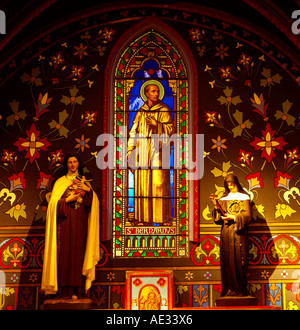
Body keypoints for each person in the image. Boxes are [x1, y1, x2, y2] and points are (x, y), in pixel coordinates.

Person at [42, 154, 100, 299]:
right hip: (64, 224)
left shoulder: (83, 181)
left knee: (78, 255)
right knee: (64, 256)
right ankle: (63, 291)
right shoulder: (60, 182)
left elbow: (93, 204)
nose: (72, 165)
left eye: (75, 162)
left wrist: (88, 191)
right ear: (66, 165)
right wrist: (68, 199)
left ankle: (77, 291)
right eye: (69, 162)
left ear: (78, 164)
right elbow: (53, 205)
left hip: (80, 224)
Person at [127, 82, 174, 226]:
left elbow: (171, 131)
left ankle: (162, 219)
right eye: (153, 91)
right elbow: (133, 132)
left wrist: (157, 125)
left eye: (157, 91)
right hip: (142, 154)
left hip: (159, 153)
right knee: (143, 186)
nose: (156, 94)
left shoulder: (164, 109)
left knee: (158, 185)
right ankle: (143, 219)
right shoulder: (140, 111)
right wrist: (130, 151)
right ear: (146, 94)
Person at [211, 173, 252, 297]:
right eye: (228, 185)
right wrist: (217, 208)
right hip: (226, 234)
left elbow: (248, 216)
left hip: (239, 233)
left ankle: (241, 290)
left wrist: (234, 217)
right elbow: (218, 220)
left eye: (232, 184)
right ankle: (229, 289)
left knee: (241, 260)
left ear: (236, 183)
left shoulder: (244, 197)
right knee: (228, 261)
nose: (230, 187)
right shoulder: (224, 198)